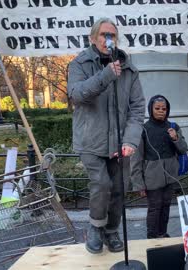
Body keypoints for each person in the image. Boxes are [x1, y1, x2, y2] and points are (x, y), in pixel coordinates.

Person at [67, 18, 145, 254]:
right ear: (93, 38)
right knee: (101, 184)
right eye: (103, 34)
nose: (108, 39)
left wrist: (131, 139)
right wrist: (105, 76)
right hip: (91, 140)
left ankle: (111, 230)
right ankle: (95, 227)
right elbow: (77, 95)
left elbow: (138, 107)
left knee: (119, 188)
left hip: (120, 141)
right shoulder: (79, 64)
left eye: (112, 35)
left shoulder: (128, 68)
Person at [130, 95, 188, 239]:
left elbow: (183, 149)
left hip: (170, 175)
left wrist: (175, 138)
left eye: (164, 108)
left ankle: (163, 233)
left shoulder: (173, 127)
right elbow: (136, 158)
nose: (161, 111)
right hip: (152, 177)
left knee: (166, 205)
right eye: (157, 108)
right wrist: (139, 184)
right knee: (155, 208)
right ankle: (152, 236)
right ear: (151, 109)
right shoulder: (143, 130)